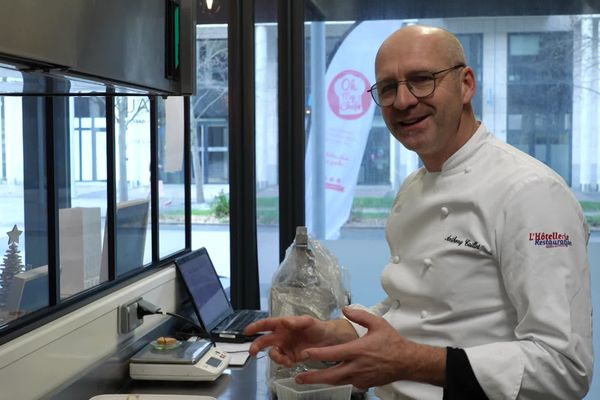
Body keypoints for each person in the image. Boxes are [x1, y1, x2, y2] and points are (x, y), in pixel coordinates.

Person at [245, 25, 593, 399]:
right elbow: (409, 309)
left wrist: (412, 362)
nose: (404, 100)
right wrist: (333, 334)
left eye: (421, 80)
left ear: (466, 85)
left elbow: (564, 367)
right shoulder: (414, 186)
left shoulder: (531, 192)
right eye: (389, 88)